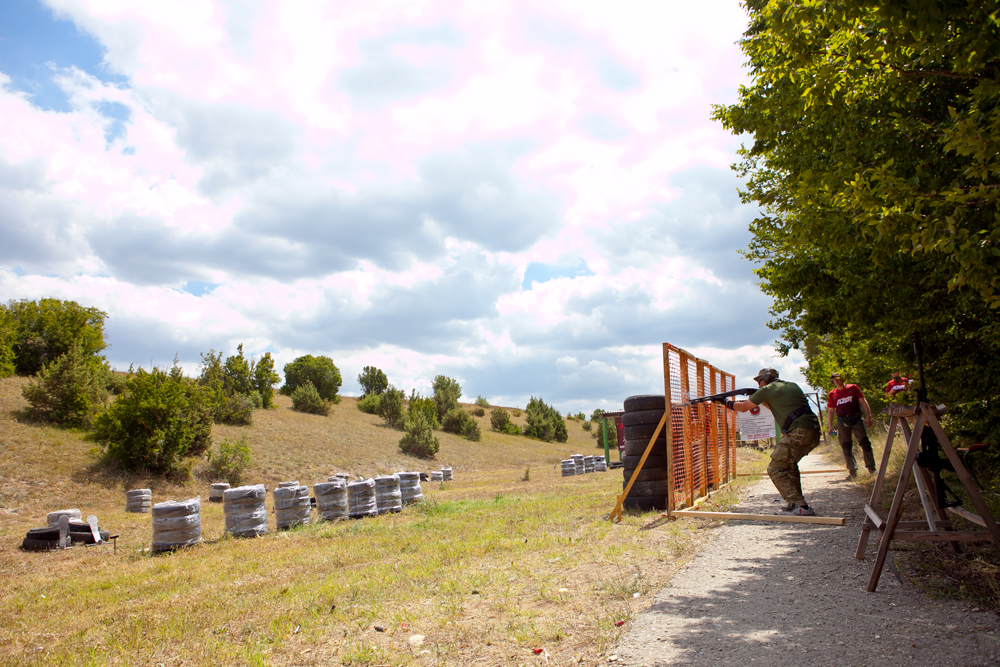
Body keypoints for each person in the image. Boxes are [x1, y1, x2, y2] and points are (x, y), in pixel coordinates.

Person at [725, 368, 821, 516]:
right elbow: (775, 405)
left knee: (775, 468)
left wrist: (726, 402)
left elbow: (743, 408)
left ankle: (801, 506)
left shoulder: (768, 389)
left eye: (759, 381)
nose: (758, 384)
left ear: (767, 378)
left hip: (798, 433)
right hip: (812, 431)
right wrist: (761, 399)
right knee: (789, 465)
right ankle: (794, 504)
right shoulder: (792, 385)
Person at [826, 373, 875, 479]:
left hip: (856, 418)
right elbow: (831, 410)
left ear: (842, 379)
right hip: (842, 421)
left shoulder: (852, 388)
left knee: (864, 442)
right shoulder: (832, 394)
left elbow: (863, 401)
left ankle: (871, 468)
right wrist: (830, 426)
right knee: (846, 446)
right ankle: (852, 471)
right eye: (834, 379)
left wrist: (868, 416)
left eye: (838, 378)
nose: (836, 381)